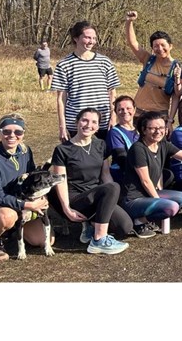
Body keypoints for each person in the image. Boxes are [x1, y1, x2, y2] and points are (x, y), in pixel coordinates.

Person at [50, 108, 131, 254]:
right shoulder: (63, 149)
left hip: (95, 195)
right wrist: (67, 209)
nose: (89, 125)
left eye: (94, 122)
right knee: (112, 187)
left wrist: (111, 201)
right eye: (84, 120)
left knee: (125, 227)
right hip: (75, 198)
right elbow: (60, 181)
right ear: (77, 122)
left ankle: (90, 225)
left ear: (98, 127)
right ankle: (99, 240)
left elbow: (105, 175)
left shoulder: (101, 145)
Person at [0, 114, 51, 262]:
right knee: (7, 216)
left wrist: (40, 198)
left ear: (23, 134)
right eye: (6, 131)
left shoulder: (25, 151)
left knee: (42, 240)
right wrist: (26, 205)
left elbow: (32, 178)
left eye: (18, 132)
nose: (12, 135)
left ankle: (10, 230)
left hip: (20, 201)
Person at [52, 21, 120, 141]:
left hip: (102, 122)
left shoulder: (105, 62)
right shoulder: (64, 64)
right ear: (76, 38)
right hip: (76, 124)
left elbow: (112, 93)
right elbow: (61, 99)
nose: (91, 41)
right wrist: (62, 126)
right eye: (87, 37)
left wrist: (113, 117)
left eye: (94, 38)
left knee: (103, 152)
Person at [124, 11, 181, 121]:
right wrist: (129, 22)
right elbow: (133, 43)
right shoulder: (148, 59)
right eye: (156, 46)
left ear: (170, 46)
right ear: (152, 48)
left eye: (163, 45)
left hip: (159, 116)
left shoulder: (177, 68)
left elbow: (176, 97)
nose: (160, 49)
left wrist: (170, 120)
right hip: (138, 113)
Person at [106, 95, 139, 185]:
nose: (125, 111)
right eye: (121, 109)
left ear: (134, 110)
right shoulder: (114, 133)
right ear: (116, 112)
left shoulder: (140, 130)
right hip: (124, 174)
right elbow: (121, 158)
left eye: (128, 108)